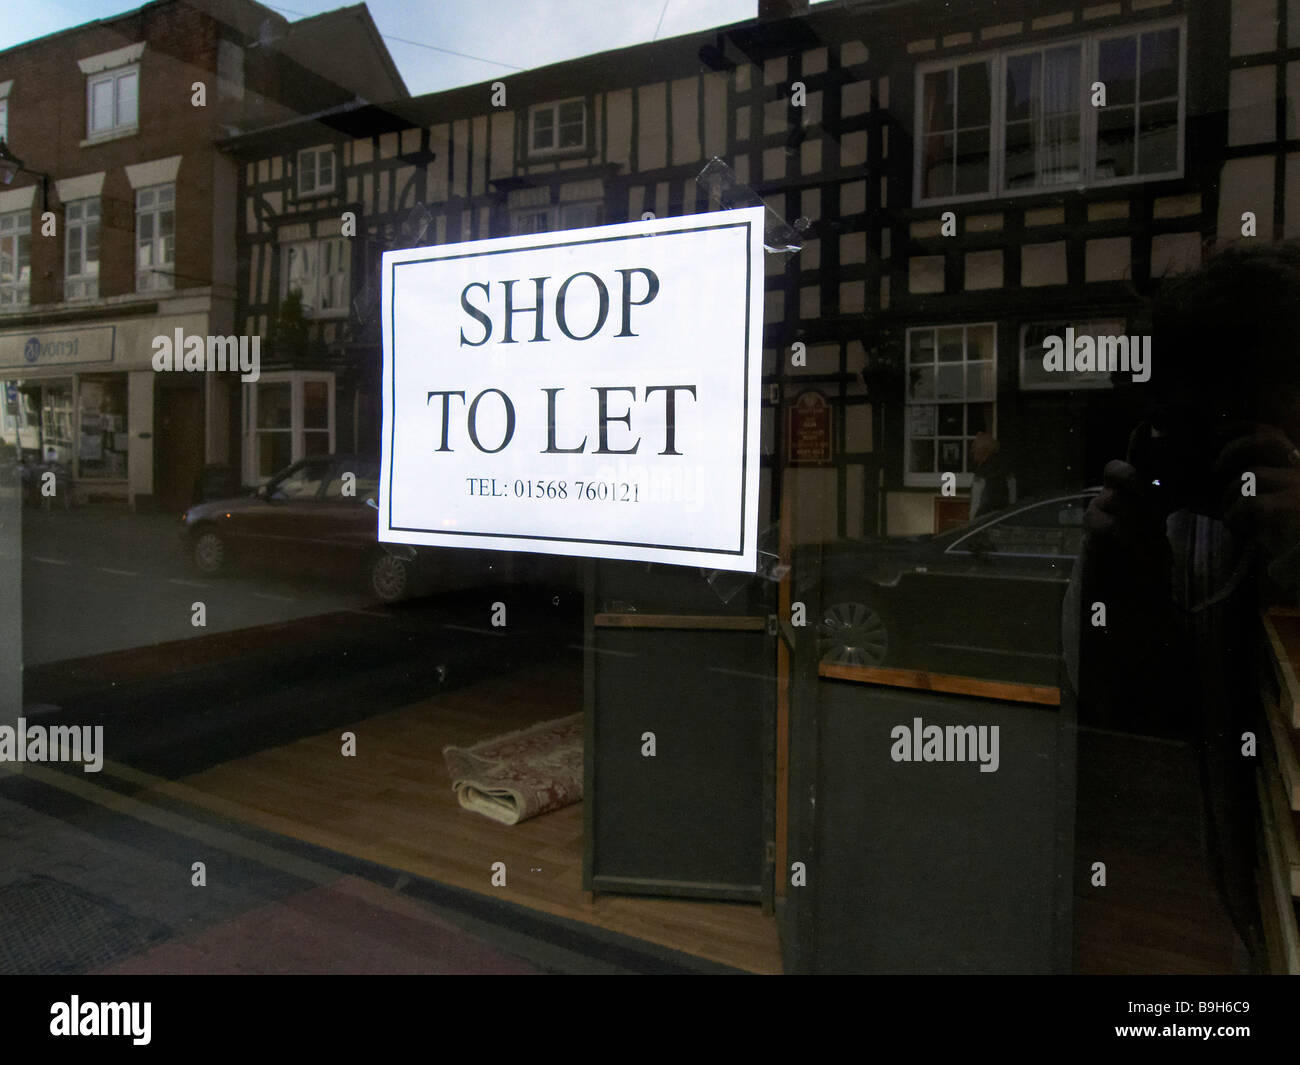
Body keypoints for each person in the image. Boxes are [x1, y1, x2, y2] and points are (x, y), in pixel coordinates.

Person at [1064, 242, 1300, 970]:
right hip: (1253, 910)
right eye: (1184, 425)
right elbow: (1135, 719)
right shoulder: (1193, 532)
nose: (1216, 458)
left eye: (1232, 427)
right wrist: (1121, 577)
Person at [969, 432, 1013, 518]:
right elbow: (1012, 497)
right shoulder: (1005, 470)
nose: (972, 451)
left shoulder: (982, 473)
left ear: (983, 450)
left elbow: (976, 502)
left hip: (984, 519)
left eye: (974, 447)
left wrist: (971, 522)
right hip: (1001, 517)